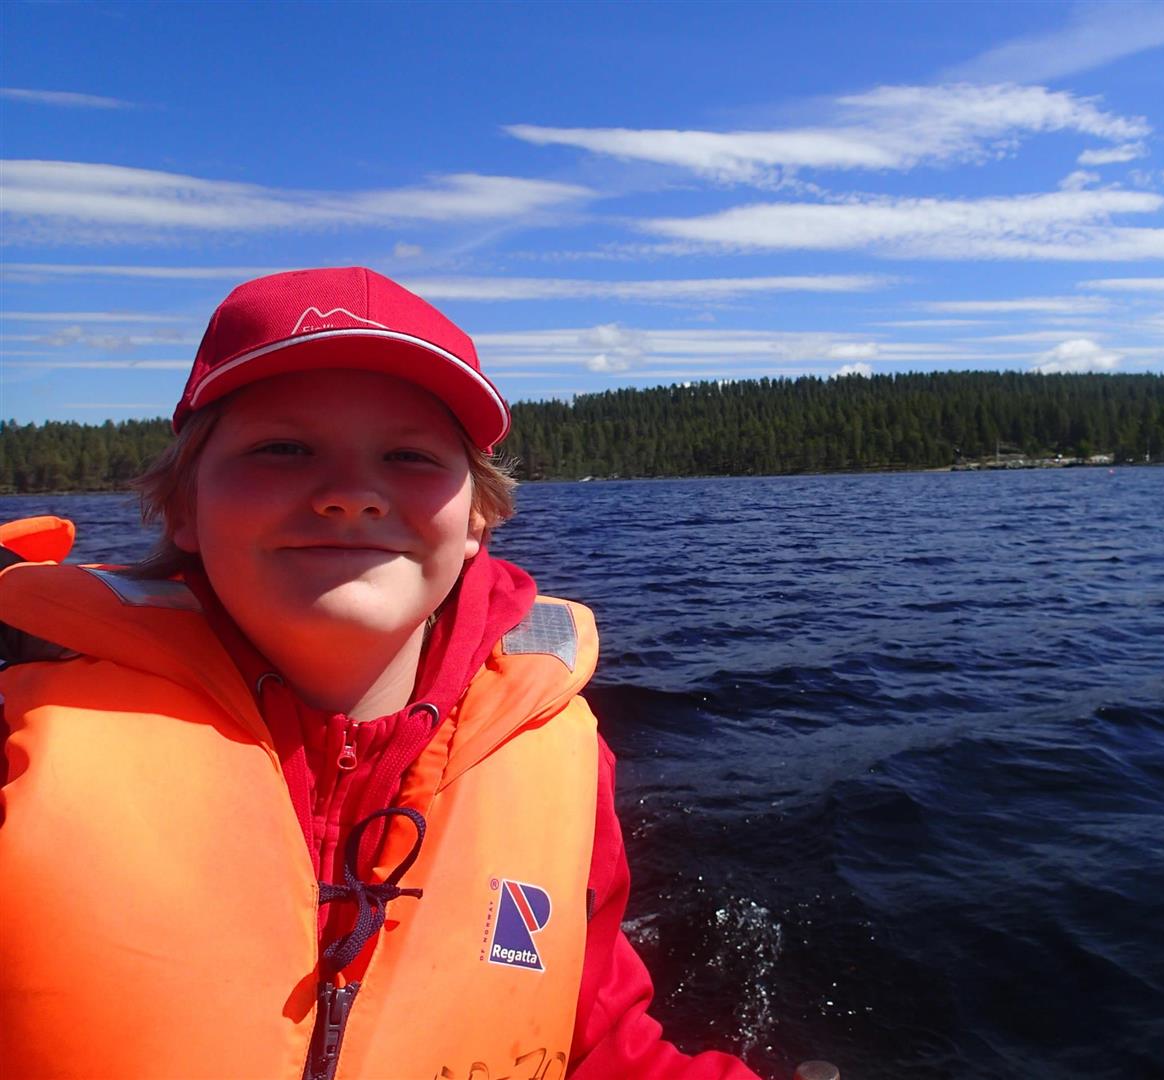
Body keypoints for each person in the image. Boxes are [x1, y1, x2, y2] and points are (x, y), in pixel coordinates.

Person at [0, 267, 762, 1079]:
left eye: (409, 455)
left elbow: (600, 1048)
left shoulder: (560, 753)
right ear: (183, 505)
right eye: (283, 448)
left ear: (477, 518)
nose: (352, 495)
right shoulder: (18, 736)